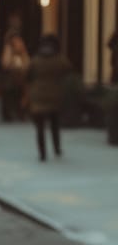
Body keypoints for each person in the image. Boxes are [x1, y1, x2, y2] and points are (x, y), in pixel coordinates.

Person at [27, 33, 72, 161]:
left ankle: (42, 153)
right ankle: (57, 148)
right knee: (55, 124)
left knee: (40, 127)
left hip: (38, 95)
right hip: (55, 95)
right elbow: (69, 69)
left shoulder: (36, 60)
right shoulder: (59, 59)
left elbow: (28, 75)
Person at [0, 28, 30, 122]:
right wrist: (9, 49)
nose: (18, 42)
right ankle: (11, 114)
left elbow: (28, 65)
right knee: (10, 88)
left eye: (19, 39)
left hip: (22, 79)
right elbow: (5, 64)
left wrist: (22, 51)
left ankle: (22, 112)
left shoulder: (23, 52)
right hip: (11, 80)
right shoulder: (8, 49)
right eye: (15, 40)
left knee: (25, 89)